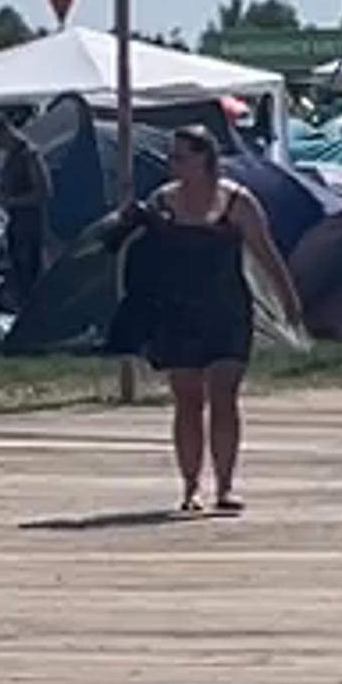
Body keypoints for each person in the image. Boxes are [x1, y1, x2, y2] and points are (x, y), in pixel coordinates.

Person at [114, 114, 255, 511]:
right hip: (177, 311)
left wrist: (291, 303)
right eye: (171, 157)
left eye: (179, 157)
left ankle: (225, 486)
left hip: (228, 309)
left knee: (224, 395)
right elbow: (134, 254)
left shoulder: (237, 202)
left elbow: (265, 252)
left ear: (204, 159)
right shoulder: (162, 203)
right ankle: (191, 486)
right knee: (188, 400)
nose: (171, 163)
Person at [0, 112, 52, 340]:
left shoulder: (29, 155)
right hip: (15, 223)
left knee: (30, 274)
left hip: (30, 224)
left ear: (6, 132)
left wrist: (11, 201)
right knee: (19, 274)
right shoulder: (12, 156)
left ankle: (35, 324)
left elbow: (43, 192)